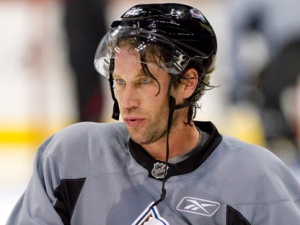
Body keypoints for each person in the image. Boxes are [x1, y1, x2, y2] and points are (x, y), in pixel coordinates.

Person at [6, 3, 300, 225]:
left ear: (187, 82)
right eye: (119, 82)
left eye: (144, 82)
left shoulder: (256, 178)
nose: (127, 101)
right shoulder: (69, 156)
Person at [64, 0, 108, 122]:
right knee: (88, 101)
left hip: (85, 62)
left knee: (88, 100)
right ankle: (89, 126)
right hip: (86, 63)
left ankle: (88, 125)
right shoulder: (82, 6)